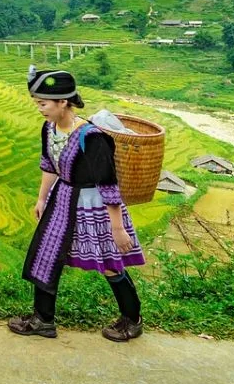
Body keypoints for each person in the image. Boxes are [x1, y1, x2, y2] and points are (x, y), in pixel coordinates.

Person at [8, 66, 146, 342]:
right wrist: (42, 197)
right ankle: (42, 320)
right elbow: (49, 164)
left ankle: (132, 319)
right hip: (63, 198)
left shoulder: (92, 137)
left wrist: (118, 228)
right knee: (46, 255)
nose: (40, 109)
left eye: (43, 104)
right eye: (37, 103)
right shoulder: (49, 128)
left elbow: (108, 184)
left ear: (63, 102)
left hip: (94, 205)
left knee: (110, 262)